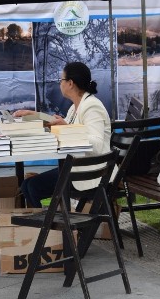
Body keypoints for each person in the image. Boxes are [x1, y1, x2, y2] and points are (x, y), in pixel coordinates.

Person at [13, 62, 111, 208]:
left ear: (70, 83)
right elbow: (66, 126)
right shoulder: (76, 106)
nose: (60, 84)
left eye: (61, 80)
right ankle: (48, 225)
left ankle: (49, 227)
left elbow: (96, 145)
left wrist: (66, 128)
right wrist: (35, 115)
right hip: (78, 167)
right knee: (27, 184)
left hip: (91, 172)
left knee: (31, 187)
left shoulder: (92, 106)